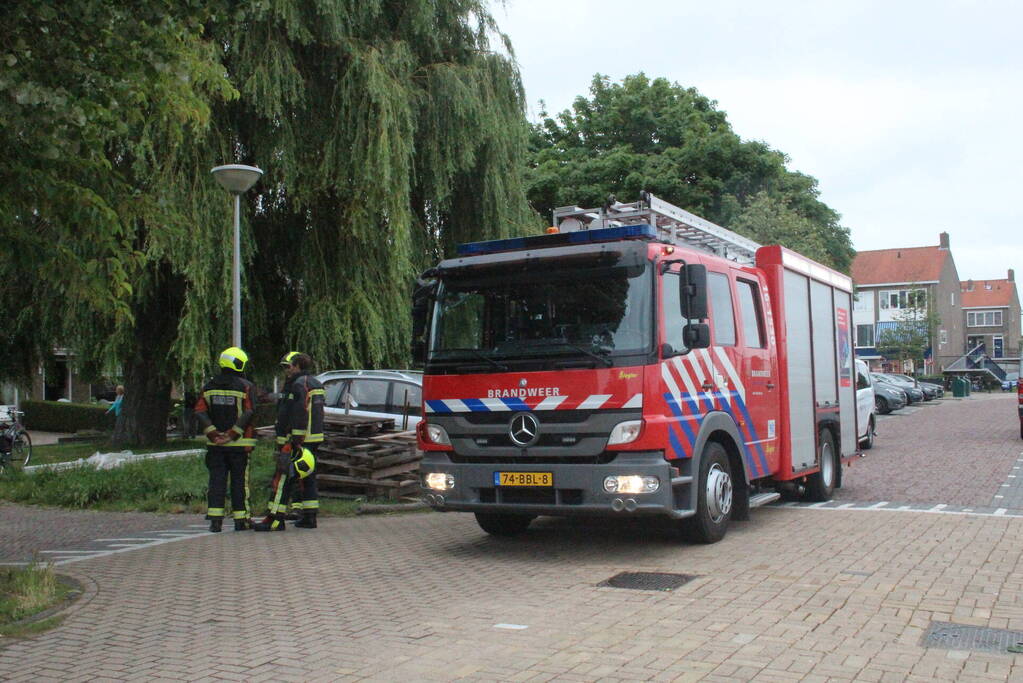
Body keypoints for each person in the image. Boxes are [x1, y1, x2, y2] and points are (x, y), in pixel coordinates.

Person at [254, 351, 325, 531]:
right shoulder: (315, 383)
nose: (286, 371)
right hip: (313, 439)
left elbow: (298, 412)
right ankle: (309, 517)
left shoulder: (299, 384)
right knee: (307, 477)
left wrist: (294, 438)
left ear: (297, 365)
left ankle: (275, 520)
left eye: (288, 367)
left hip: (298, 440)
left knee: (283, 478)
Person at [194, 347, 258, 532]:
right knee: (239, 482)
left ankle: (215, 521)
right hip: (240, 444)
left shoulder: (209, 386)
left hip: (215, 445)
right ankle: (241, 520)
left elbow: (200, 411)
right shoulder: (246, 386)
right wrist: (232, 434)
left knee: (216, 481)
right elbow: (250, 412)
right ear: (238, 364)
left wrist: (213, 433)